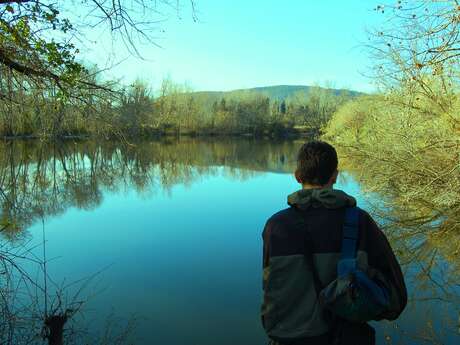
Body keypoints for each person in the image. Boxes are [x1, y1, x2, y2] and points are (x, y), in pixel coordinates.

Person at [261, 141, 407, 345]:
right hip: (347, 338)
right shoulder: (360, 222)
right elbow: (396, 300)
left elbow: (270, 289)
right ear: (335, 176)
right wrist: (359, 284)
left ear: (297, 176)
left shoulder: (276, 227)